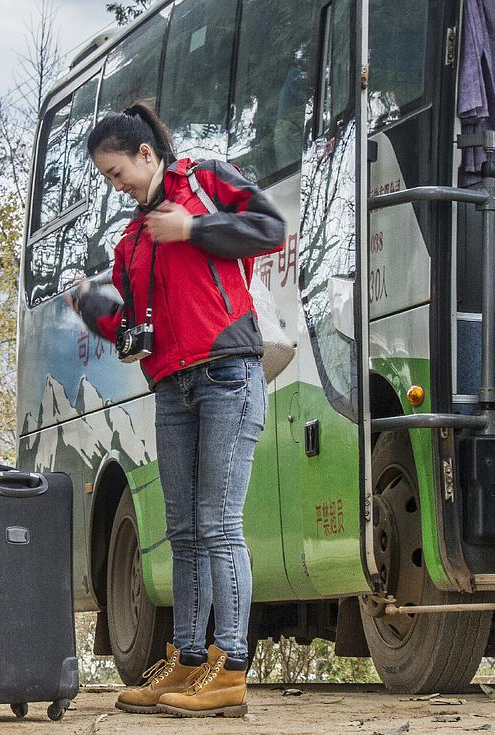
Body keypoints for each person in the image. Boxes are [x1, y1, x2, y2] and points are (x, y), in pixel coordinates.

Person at [71, 103, 286, 718]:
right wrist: (91, 306)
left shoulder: (205, 182)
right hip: (171, 385)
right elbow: (135, 329)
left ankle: (232, 667)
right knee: (185, 528)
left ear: (146, 155)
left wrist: (191, 230)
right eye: (108, 179)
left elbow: (269, 229)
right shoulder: (132, 241)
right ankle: (189, 658)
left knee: (220, 522)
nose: (117, 186)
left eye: (119, 173)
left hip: (228, 372)